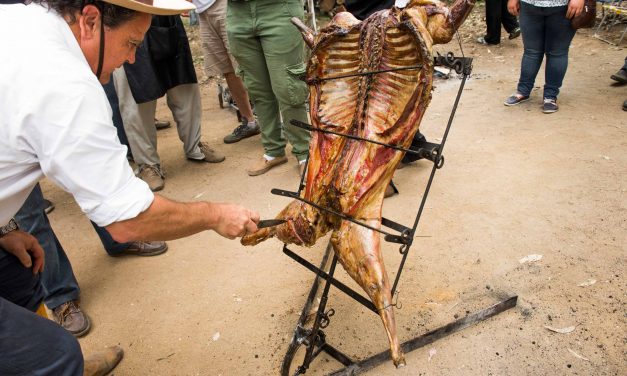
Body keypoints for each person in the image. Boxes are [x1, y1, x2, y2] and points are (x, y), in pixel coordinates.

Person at [0, 0, 259, 374]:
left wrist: (5, 226)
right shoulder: (65, 83)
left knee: (17, 275)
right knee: (56, 355)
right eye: (133, 43)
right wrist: (216, 215)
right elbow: (127, 220)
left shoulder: (24, 20)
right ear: (90, 20)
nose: (134, 60)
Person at [113, 15, 225, 192]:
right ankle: (147, 165)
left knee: (184, 86)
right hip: (124, 20)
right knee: (136, 99)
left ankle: (194, 145)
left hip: (165, 15)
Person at [226, 0, 311, 176]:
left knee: (288, 86)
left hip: (279, 9)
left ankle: (305, 153)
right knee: (258, 89)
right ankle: (273, 150)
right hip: (237, 12)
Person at [192, 0, 260, 145]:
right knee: (227, 69)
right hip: (203, 11)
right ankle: (250, 123)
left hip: (224, 5)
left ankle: (275, 124)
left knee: (245, 64)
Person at [504, 0, 583, 113]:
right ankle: (522, 91)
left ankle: (550, 96)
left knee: (557, 52)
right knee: (531, 51)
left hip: (563, 7)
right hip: (529, 5)